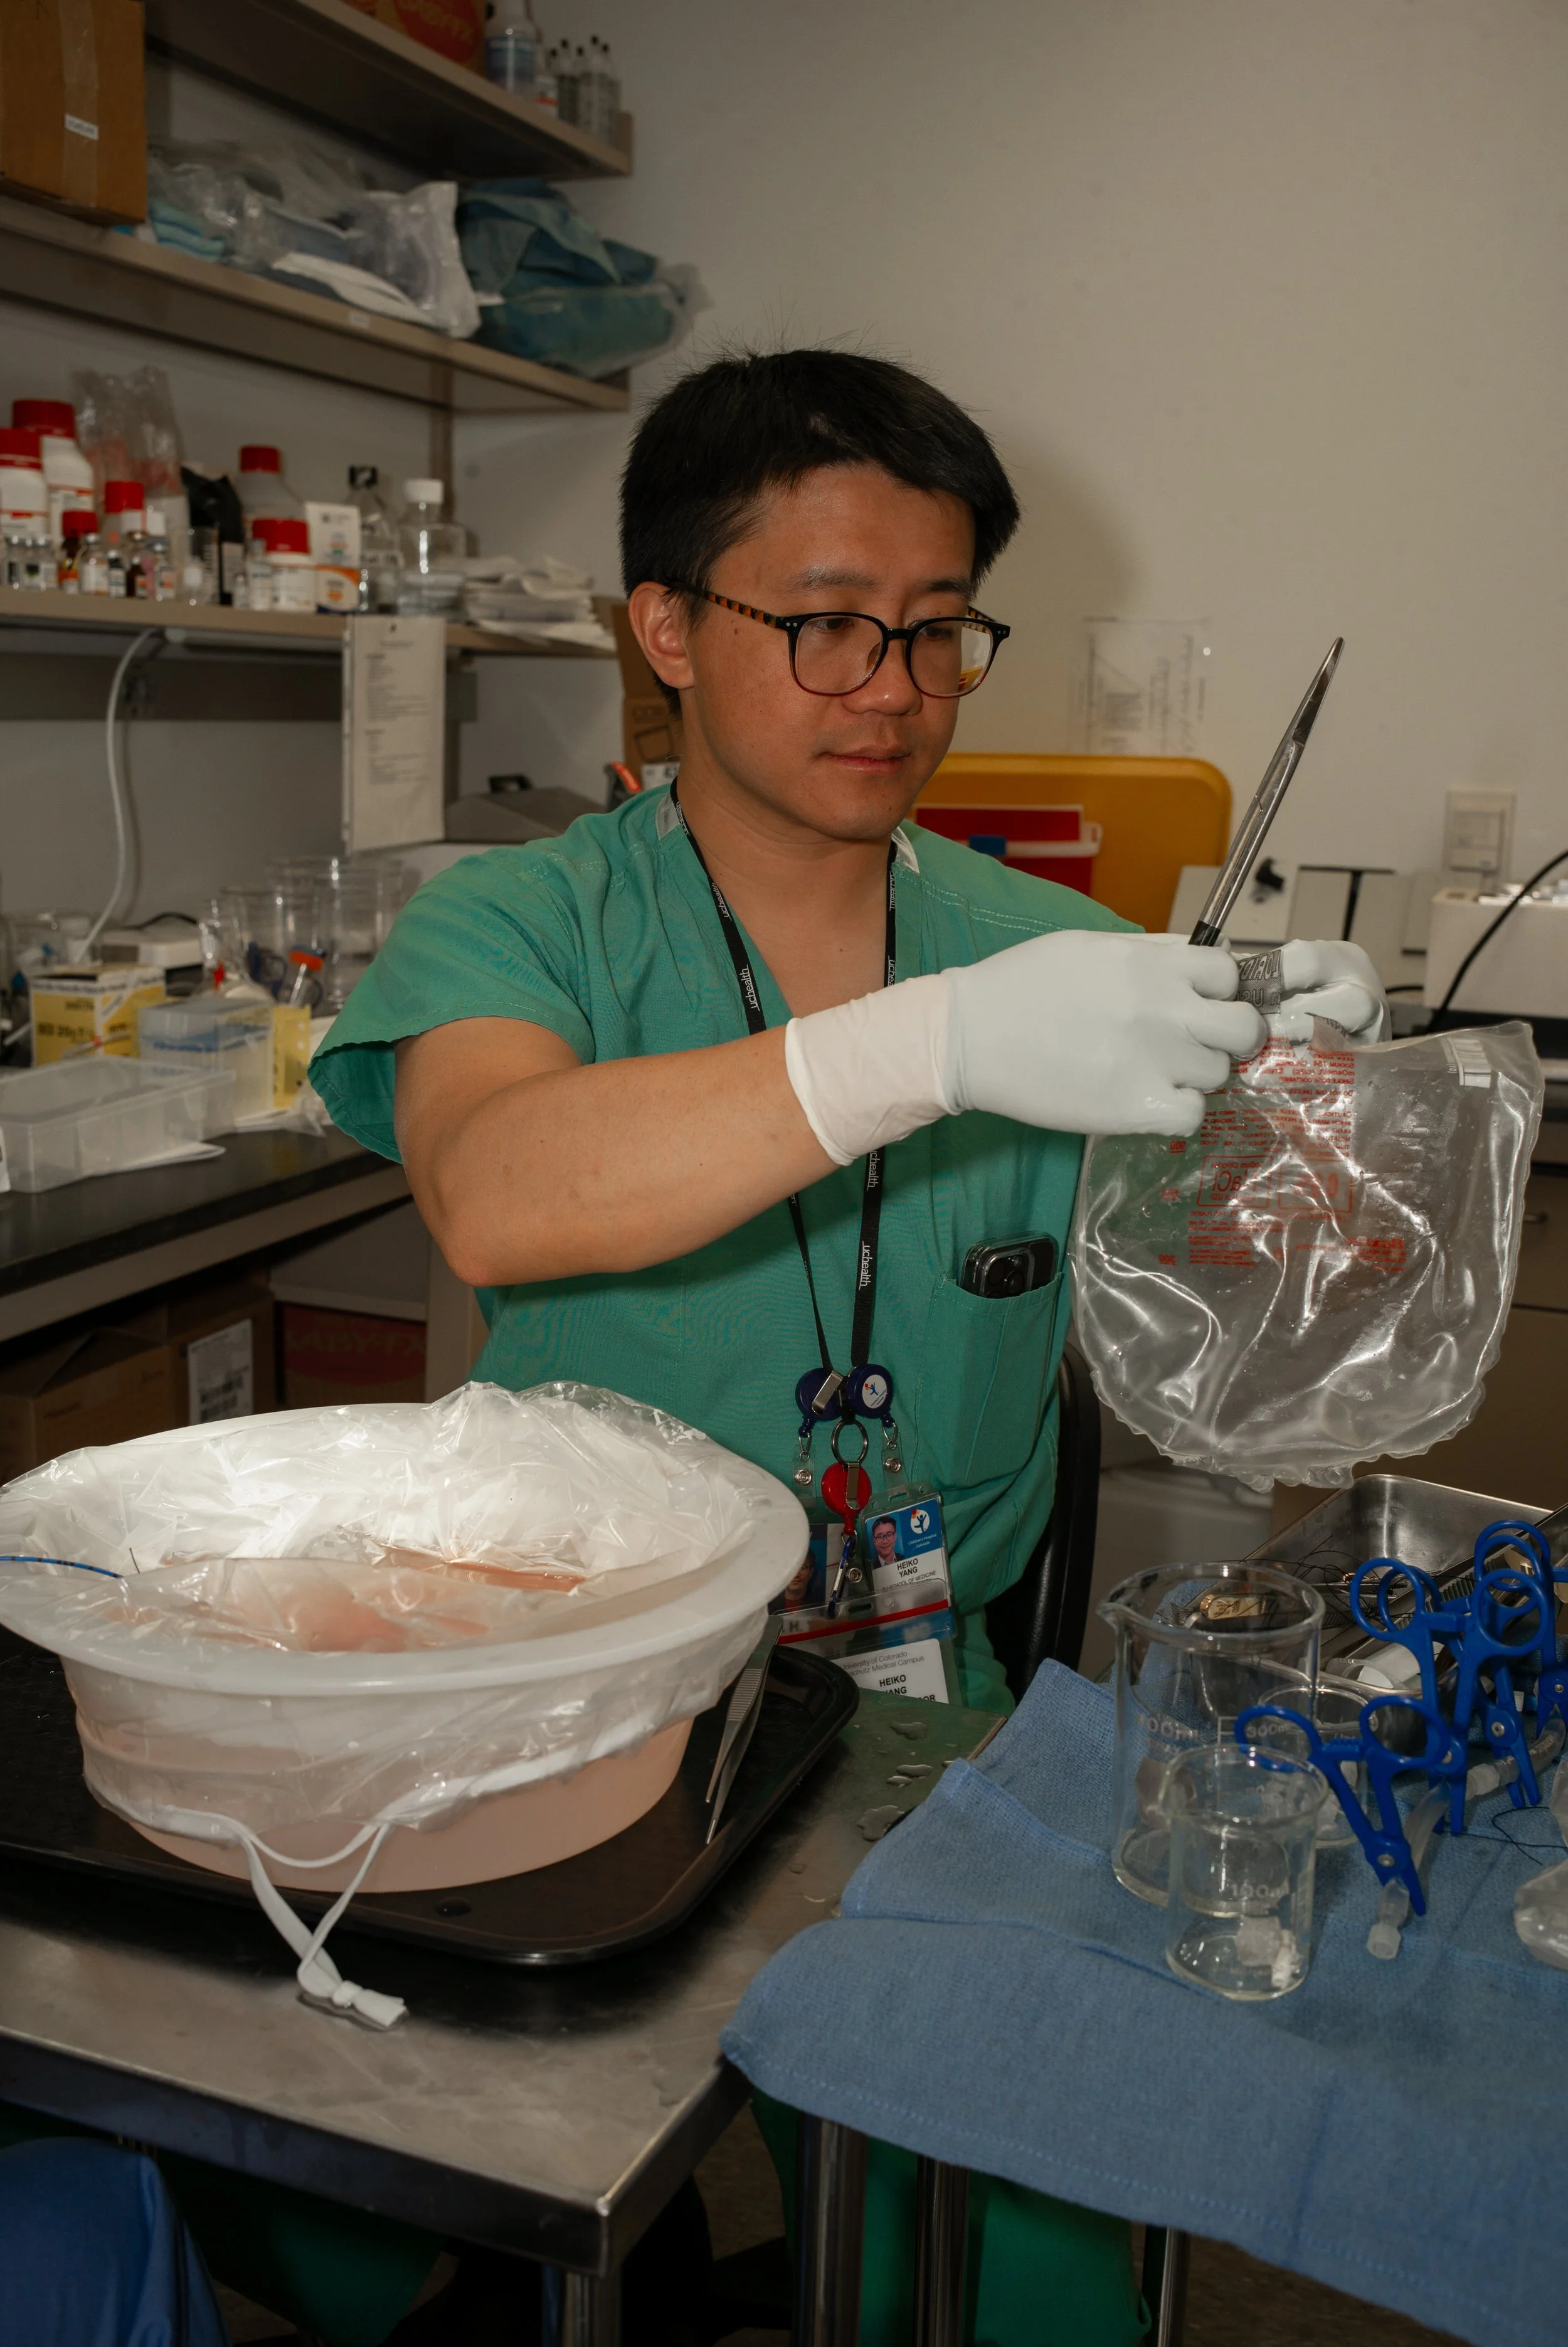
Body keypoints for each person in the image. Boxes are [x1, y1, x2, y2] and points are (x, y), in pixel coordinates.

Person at [312, 346, 1385, 2345]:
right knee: (372, 2196)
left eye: (933, 631)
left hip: (912, 1696)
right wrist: (926, 1051)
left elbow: (1237, 1314)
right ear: (664, 626)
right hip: (567, 1696)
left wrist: (1300, 1115)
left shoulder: (1029, 946)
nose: (887, 688)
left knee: (1023, 2265)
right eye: (818, 625)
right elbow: (498, 1188)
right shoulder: (523, 922)